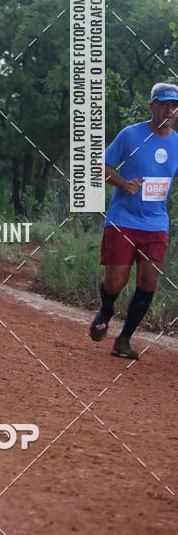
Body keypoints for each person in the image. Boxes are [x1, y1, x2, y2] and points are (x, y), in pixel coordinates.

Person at [90, 82, 178, 359]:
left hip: (156, 223)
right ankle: (106, 311)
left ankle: (124, 340)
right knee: (115, 283)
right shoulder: (130, 135)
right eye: (164, 105)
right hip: (123, 220)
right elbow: (100, 165)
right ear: (152, 106)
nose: (170, 110)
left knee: (149, 280)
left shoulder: (177, 143)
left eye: (174, 106)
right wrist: (122, 182)